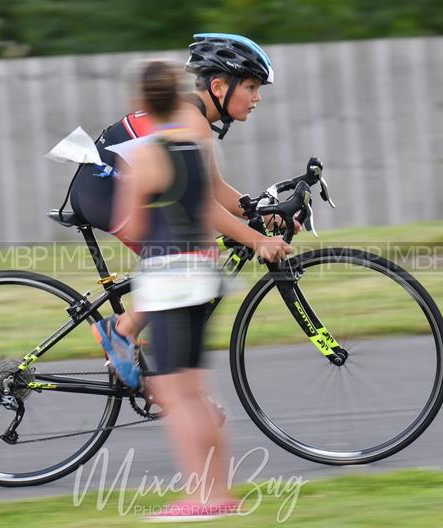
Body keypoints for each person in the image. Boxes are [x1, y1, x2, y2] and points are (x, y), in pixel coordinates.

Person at [76, 34, 293, 387]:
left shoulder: (195, 119)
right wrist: (256, 240)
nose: (258, 97)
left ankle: (172, 385)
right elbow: (201, 204)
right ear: (220, 86)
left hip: (110, 185)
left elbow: (216, 191)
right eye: (252, 87)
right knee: (186, 259)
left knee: (189, 258)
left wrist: (266, 215)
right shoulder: (191, 122)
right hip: (105, 191)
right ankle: (123, 333)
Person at [96, 59, 239, 521]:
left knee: (175, 397)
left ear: (141, 105)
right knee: (196, 393)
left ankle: (200, 498)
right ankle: (222, 492)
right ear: (179, 99)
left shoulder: (143, 157)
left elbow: (134, 223)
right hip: (203, 277)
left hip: (167, 284)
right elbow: (206, 210)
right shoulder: (194, 148)